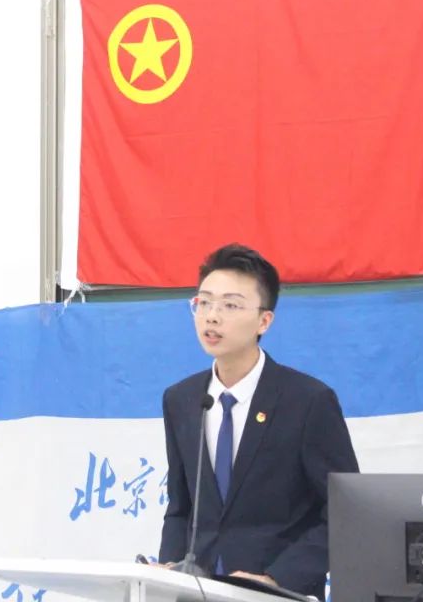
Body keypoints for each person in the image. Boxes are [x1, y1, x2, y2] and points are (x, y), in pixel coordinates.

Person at [158, 243, 359, 599]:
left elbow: (344, 513)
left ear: (264, 320)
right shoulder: (182, 400)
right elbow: (180, 508)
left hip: (275, 593)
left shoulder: (308, 401)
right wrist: (169, 573)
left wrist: (277, 578)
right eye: (203, 302)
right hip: (197, 591)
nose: (212, 316)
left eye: (230, 305)